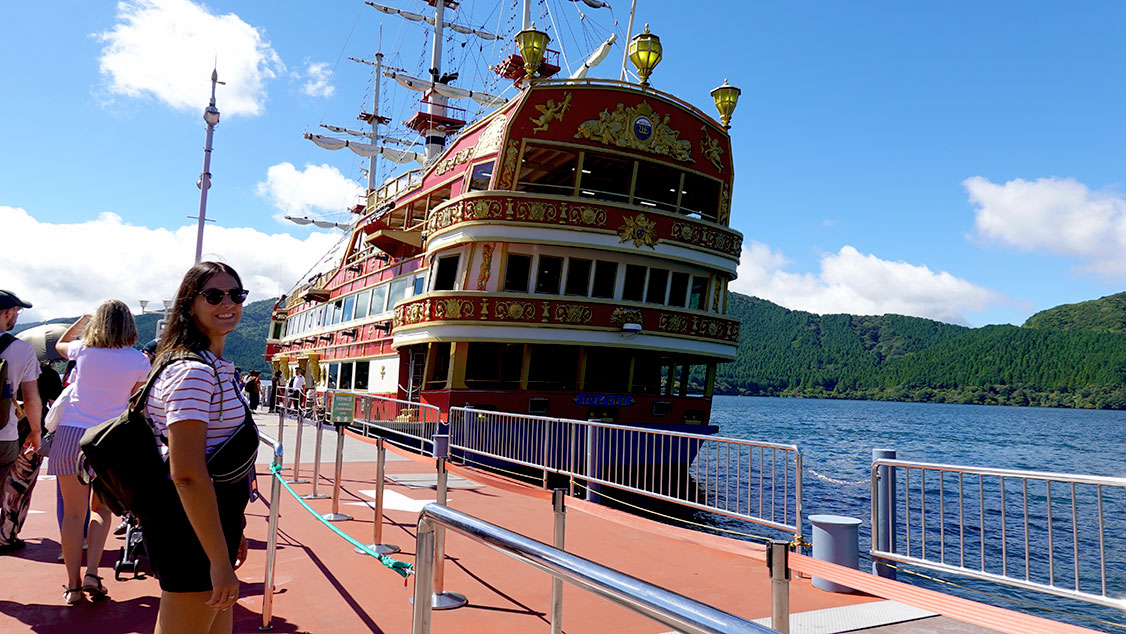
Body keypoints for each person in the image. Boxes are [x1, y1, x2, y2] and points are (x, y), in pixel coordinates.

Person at [141, 261, 254, 634]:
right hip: (191, 535)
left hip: (210, 527)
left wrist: (232, 529)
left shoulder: (214, 366)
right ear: (190, 304)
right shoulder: (194, 372)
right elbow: (187, 473)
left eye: (236, 295)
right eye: (214, 295)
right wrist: (217, 559)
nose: (228, 303)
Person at [51, 301, 149, 603]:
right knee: (102, 509)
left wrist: (82, 319)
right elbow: (137, 394)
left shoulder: (82, 350)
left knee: (72, 514)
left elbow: (60, 344)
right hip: (112, 438)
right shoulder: (139, 360)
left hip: (71, 434)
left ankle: (73, 585)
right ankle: (93, 572)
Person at [0, 290, 42, 555]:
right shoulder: (21, 350)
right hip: (4, 434)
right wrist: (36, 432)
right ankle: (4, 536)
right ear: (6, 313)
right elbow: (32, 398)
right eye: (15, 311)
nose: (16, 316)